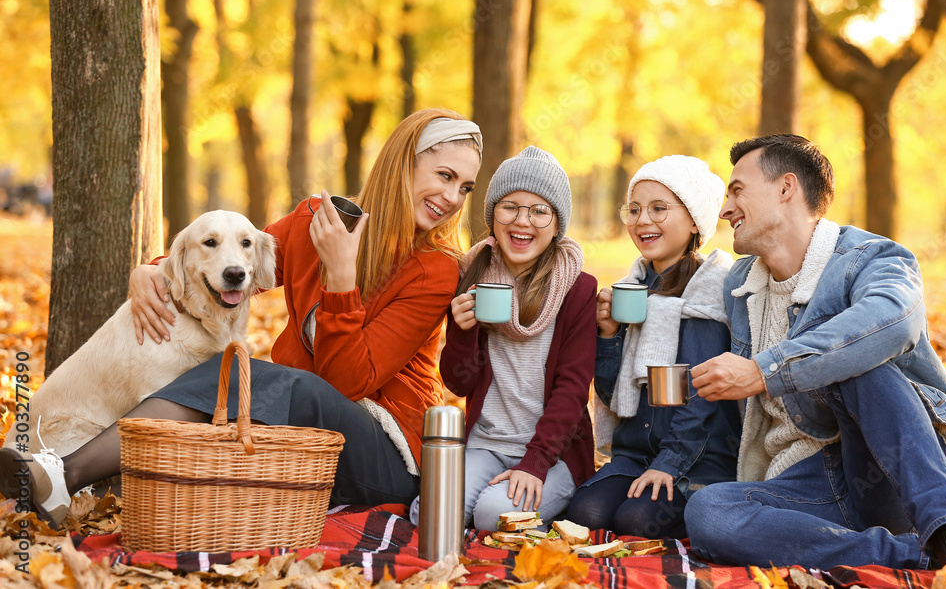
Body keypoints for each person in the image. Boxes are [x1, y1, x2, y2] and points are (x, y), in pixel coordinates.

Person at [0, 108, 484, 523]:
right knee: (228, 370)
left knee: (275, 378)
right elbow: (235, 255)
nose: (452, 198)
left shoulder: (435, 269)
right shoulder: (318, 222)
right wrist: (151, 272)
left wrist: (341, 277)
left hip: (384, 456)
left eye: (464, 187)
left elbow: (347, 383)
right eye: (444, 176)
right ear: (403, 163)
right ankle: (59, 475)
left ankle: (62, 474)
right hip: (299, 439)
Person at [683, 135, 946, 588]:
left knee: (861, 361)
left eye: (737, 190)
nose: (724, 209)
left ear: (786, 188)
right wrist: (618, 318)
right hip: (805, 487)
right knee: (708, 512)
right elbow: (681, 300)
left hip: (886, 473)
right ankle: (916, 555)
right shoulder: (740, 286)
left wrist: (765, 370)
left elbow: (893, 322)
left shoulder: (873, 258)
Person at [565, 155, 741, 540]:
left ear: (694, 220)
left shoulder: (707, 292)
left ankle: (703, 504)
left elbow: (700, 395)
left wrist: (670, 463)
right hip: (635, 452)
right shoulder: (635, 288)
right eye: (635, 209)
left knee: (636, 521)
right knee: (586, 512)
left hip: (696, 457)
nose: (642, 220)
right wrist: (610, 335)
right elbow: (614, 395)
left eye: (659, 208)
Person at [438, 146, 597, 531]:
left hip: (552, 453)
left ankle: (552, 508)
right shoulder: (473, 275)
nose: (522, 221)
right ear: (493, 216)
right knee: (433, 512)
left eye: (539, 210)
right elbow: (458, 382)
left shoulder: (577, 290)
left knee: (493, 516)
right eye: (509, 206)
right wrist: (461, 333)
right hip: (485, 444)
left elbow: (573, 391)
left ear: (557, 224)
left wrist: (536, 464)